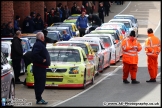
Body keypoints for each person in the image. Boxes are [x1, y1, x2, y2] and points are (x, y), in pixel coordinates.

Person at [31, 32, 50, 104]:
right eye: (44, 36)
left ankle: (39, 98)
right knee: (40, 83)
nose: (44, 38)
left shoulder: (40, 44)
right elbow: (34, 54)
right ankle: (39, 98)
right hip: (39, 68)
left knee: (41, 83)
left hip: (41, 67)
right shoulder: (38, 45)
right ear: (42, 38)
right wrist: (42, 59)